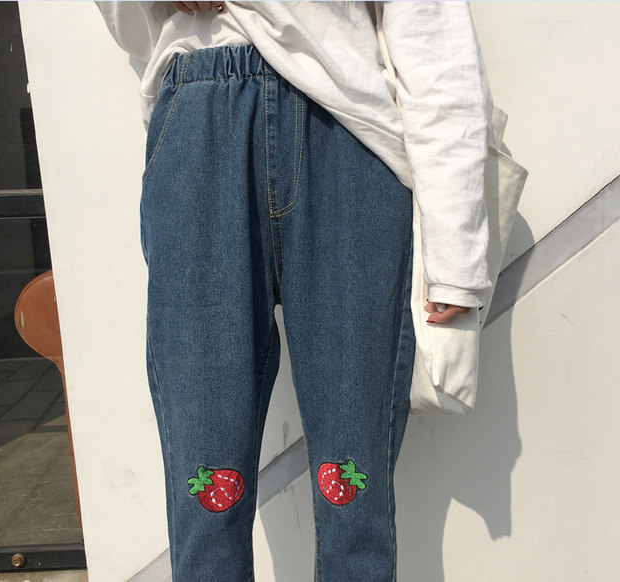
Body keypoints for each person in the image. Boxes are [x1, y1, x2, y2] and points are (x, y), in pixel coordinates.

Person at [96, 2, 492, 580]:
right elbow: (128, 25)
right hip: (200, 130)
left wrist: (456, 252)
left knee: (354, 503)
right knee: (204, 503)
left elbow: (432, 35)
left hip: (347, 135)